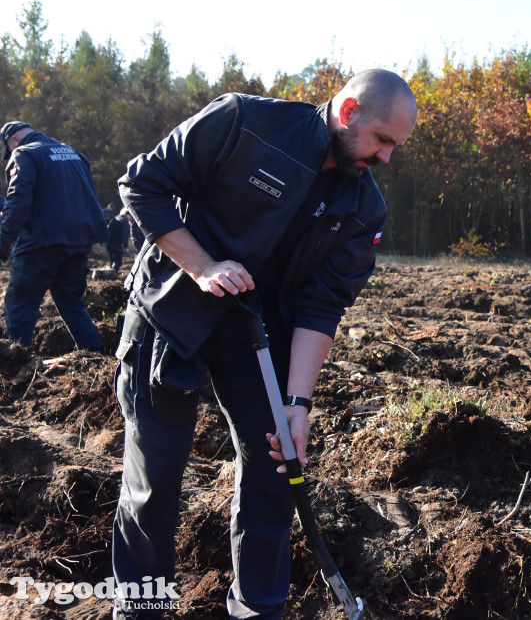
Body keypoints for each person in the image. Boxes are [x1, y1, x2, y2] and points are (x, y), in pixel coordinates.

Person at [110, 69, 417, 619]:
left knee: (278, 470)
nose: (388, 159)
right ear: (347, 113)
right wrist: (203, 266)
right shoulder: (245, 123)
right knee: (155, 482)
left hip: (256, 337)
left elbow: (322, 306)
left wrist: (297, 405)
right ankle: (139, 610)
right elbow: (142, 184)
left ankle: (258, 610)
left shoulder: (363, 208)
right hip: (172, 313)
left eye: (396, 146)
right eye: (383, 141)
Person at [0, 121, 107, 351]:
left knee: (18, 305)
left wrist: (4, 241)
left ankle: (17, 367)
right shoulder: (74, 154)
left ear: (14, 141)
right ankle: (95, 358)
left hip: (41, 245)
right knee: (71, 303)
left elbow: (18, 202)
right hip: (79, 243)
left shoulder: (23, 154)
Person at [106, 207, 131, 272]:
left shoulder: (116, 218)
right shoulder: (125, 221)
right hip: (117, 244)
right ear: (127, 215)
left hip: (109, 243)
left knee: (112, 259)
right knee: (118, 260)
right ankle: (113, 273)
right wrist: (126, 246)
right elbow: (124, 235)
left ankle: (109, 272)